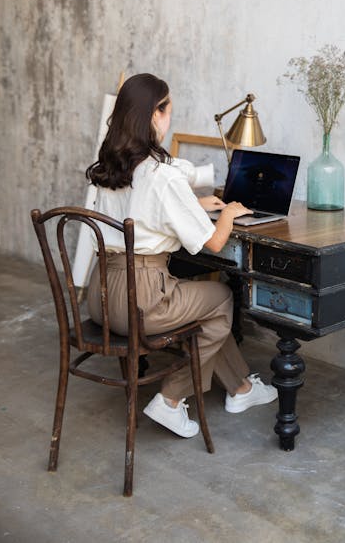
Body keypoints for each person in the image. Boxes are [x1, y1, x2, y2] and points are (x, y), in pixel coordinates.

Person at [86, 73, 277, 439]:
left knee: (199, 307)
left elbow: (142, 212)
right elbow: (215, 243)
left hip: (102, 296)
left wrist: (192, 203)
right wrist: (229, 214)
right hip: (139, 301)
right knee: (219, 299)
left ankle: (241, 389)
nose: (171, 115)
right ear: (154, 115)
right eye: (168, 108)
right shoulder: (162, 176)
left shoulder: (110, 165)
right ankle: (171, 399)